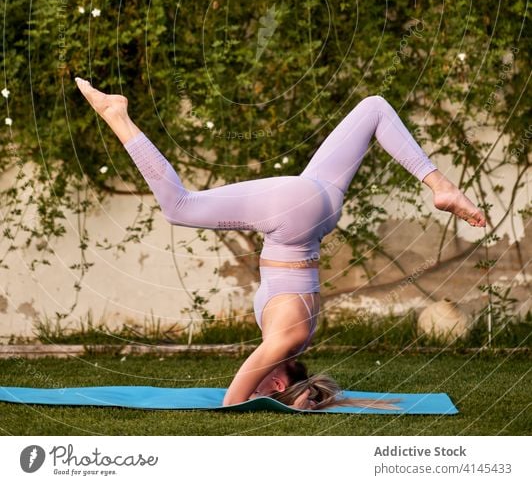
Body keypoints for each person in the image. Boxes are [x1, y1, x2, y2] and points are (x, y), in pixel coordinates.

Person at [75, 78, 486, 410]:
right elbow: (232, 401)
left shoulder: (299, 334)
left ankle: (440, 183)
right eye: (265, 388)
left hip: (320, 207)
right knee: (179, 206)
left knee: (375, 107)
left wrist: (302, 399)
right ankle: (116, 114)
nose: (257, 383)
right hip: (293, 216)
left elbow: (266, 387)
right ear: (276, 380)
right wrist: (279, 402)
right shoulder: (286, 339)